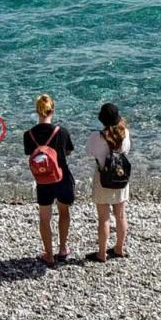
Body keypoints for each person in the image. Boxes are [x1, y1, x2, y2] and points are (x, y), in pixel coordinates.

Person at [24, 94, 75, 265]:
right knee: (64, 212)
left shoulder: (28, 134)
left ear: (37, 111)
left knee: (44, 218)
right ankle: (63, 248)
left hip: (43, 181)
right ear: (53, 109)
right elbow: (68, 152)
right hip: (62, 177)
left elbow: (30, 154)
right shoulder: (62, 132)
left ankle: (49, 254)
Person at [85, 103, 131, 263]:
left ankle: (102, 253)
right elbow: (127, 151)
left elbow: (88, 152)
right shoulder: (125, 133)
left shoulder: (96, 137)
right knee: (121, 215)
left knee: (104, 218)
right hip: (120, 176)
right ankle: (119, 248)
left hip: (103, 178)